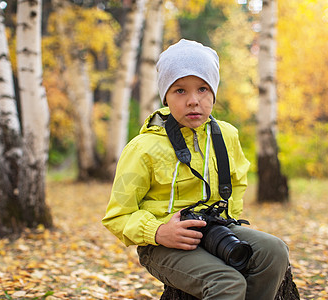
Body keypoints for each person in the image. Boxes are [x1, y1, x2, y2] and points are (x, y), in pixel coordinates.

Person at [102, 39, 289, 300]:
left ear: (213, 92)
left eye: (202, 89)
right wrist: (158, 232)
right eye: (180, 91)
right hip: (162, 243)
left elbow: (236, 184)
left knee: (275, 251)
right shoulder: (143, 148)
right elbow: (116, 217)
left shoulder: (226, 135)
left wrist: (226, 226)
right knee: (227, 283)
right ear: (165, 96)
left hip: (215, 228)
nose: (193, 101)